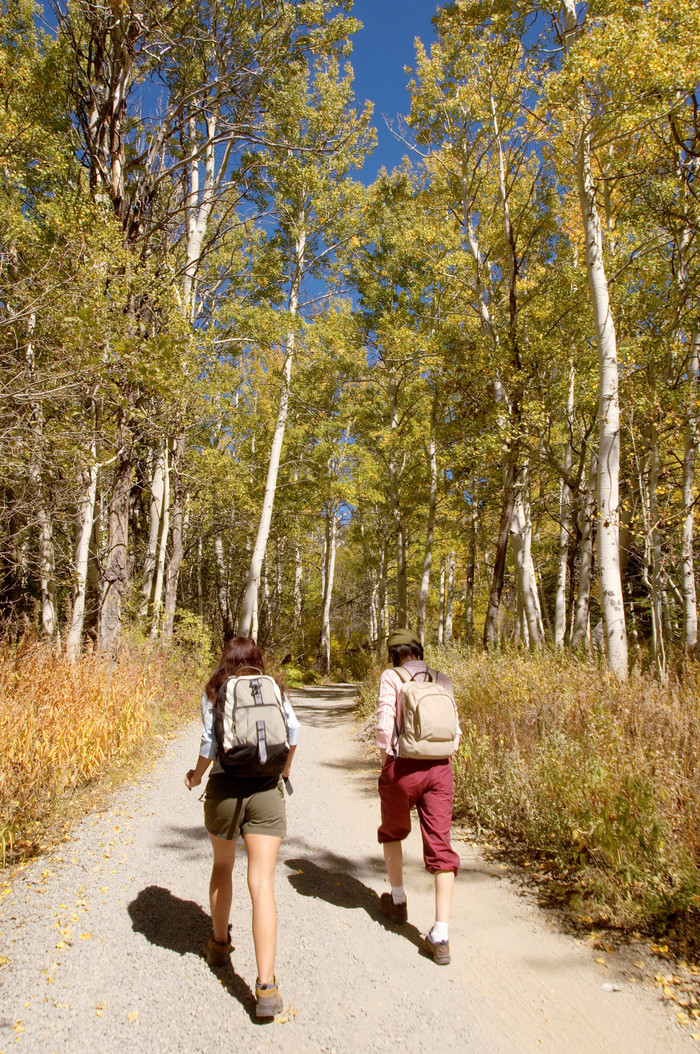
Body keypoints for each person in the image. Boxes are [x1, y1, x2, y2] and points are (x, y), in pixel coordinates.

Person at [185, 637, 299, 1017]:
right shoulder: (273, 688)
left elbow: (207, 744)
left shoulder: (215, 691)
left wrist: (195, 777)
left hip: (225, 788)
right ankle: (266, 986)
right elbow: (294, 735)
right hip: (267, 789)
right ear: (257, 660)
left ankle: (219, 945)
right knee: (262, 883)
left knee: (222, 866)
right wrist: (283, 772)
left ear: (225, 660)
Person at [375, 627, 460, 965]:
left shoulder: (391, 677)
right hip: (441, 768)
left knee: (393, 831)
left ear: (393, 654)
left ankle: (397, 901)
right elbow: (456, 731)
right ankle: (440, 936)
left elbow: (384, 729)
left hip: (402, 767)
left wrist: (388, 767)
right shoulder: (442, 678)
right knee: (441, 846)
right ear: (419, 650)